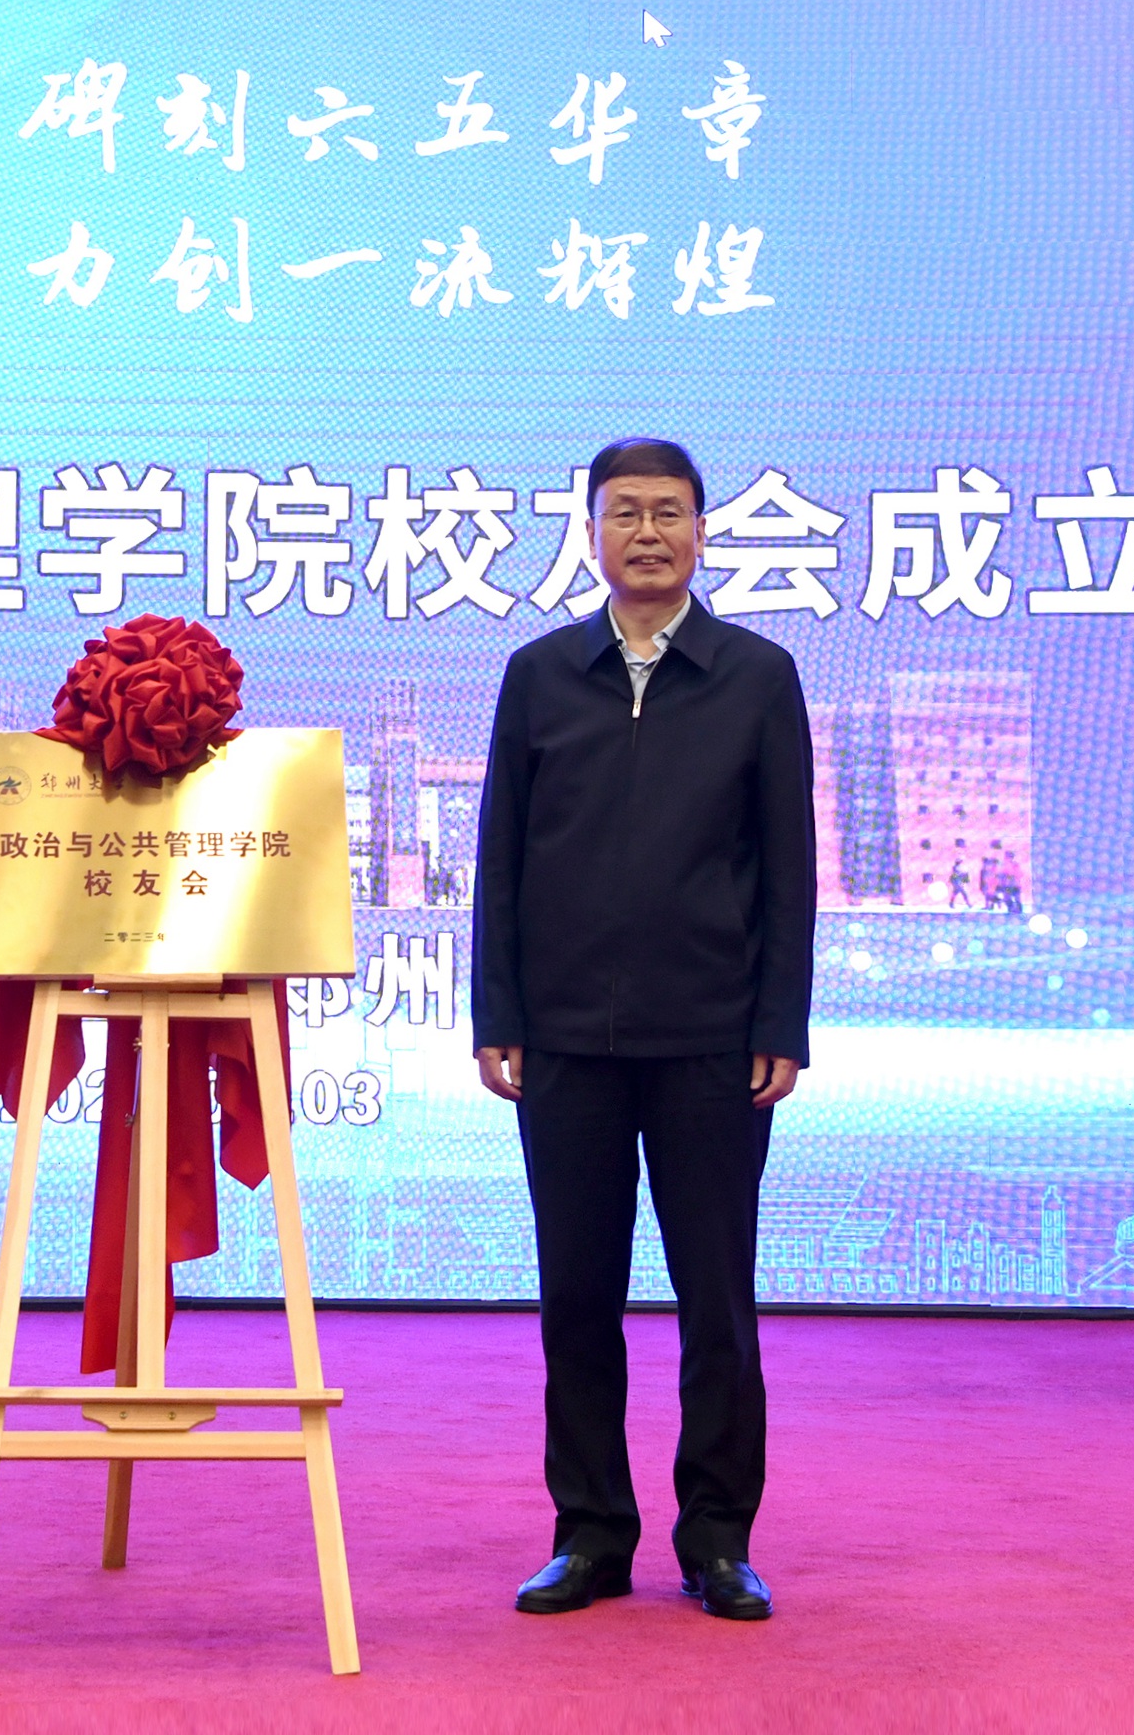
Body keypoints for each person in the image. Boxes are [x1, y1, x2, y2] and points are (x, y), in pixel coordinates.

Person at [473, 437, 814, 1623]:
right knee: (578, 1296)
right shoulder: (539, 675)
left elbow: (788, 868)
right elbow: (501, 859)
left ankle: (718, 1539)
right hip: (566, 1039)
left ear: (703, 532)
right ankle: (590, 1534)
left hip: (712, 1038)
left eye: (670, 513)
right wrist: (498, 1012)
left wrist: (781, 1020)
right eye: (626, 513)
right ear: (592, 534)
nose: (650, 533)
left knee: (717, 1302)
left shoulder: (756, 676)